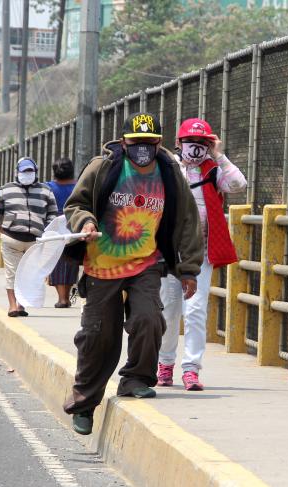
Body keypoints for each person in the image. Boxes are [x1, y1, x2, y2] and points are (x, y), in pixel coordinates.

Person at [62, 112, 204, 436]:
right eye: (136, 143)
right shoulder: (104, 167)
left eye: (149, 144)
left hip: (145, 261)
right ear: (124, 143)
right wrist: (85, 222)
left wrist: (188, 269)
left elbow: (187, 220)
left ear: (159, 144)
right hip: (102, 263)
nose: (143, 149)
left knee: (149, 319)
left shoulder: (168, 172)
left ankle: (137, 378)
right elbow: (76, 204)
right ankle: (84, 404)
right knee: (98, 336)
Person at [157, 118, 246, 391]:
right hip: (170, 251)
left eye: (202, 143)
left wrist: (218, 154)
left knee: (195, 311)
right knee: (169, 311)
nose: (195, 148)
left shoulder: (212, 169)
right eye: (190, 142)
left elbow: (238, 184)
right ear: (179, 143)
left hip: (202, 252)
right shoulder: (169, 168)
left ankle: (191, 369)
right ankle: (165, 363)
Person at [0, 157, 58, 317]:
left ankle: (21, 305)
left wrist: (49, 231)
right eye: (24, 171)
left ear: (36, 172)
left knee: (29, 274)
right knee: (12, 273)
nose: (27, 174)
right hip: (11, 238)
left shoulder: (45, 190)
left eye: (30, 171)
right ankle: (12, 305)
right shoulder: (6, 190)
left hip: (36, 241)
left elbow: (52, 213)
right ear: (17, 173)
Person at [46, 158, 79, 308]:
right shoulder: (78, 186)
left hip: (54, 228)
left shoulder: (48, 187)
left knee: (56, 262)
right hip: (74, 226)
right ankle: (67, 296)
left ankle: (62, 299)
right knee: (71, 262)